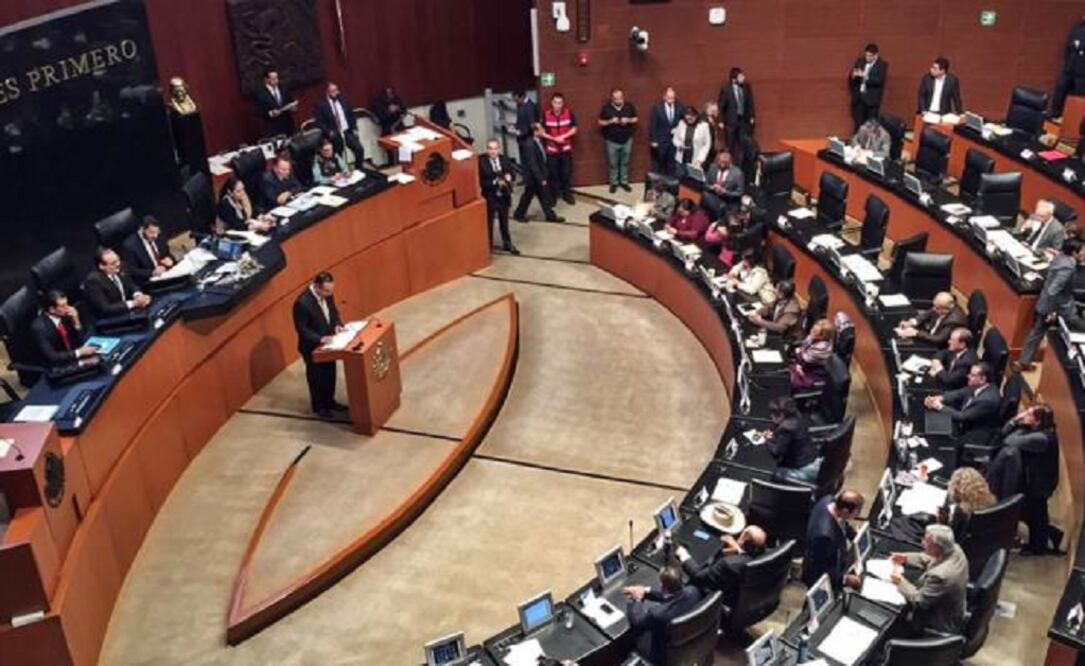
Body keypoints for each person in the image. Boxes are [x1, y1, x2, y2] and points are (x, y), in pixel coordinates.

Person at [996, 405, 1061, 555]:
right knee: (1033, 514)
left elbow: (1009, 440)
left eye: (1029, 415)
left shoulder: (1040, 438)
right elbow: (1004, 432)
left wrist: (1017, 421)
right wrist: (1016, 422)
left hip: (1040, 483)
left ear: (1037, 421)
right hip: (1035, 480)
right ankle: (1048, 538)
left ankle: (1039, 547)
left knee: (1035, 515)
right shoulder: (1038, 431)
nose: (1024, 416)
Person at [1016, 239, 1085, 368]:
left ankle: (1023, 362)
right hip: (1060, 308)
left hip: (1045, 303)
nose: (1084, 253)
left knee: (1036, 333)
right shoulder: (1067, 267)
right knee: (1080, 327)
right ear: (1075, 253)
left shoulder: (1061, 257)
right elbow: (1054, 290)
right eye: (1082, 250)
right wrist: (1052, 312)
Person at [890, 524, 968, 635]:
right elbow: (932, 558)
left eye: (926, 542)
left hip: (937, 621)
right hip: (954, 610)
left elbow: (919, 601)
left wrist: (900, 581)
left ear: (937, 548)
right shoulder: (955, 550)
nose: (922, 543)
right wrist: (905, 558)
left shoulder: (941, 576)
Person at [622, 566, 702, 665]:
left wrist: (636, 600)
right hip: (688, 643)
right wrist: (645, 591)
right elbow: (672, 598)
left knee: (631, 637)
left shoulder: (657, 614)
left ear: (663, 587)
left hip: (663, 655)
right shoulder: (693, 591)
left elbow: (637, 622)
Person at [293, 272, 346, 418]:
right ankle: (319, 407)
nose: (329, 294)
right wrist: (320, 338)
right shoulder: (302, 303)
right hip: (312, 346)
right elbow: (302, 329)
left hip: (329, 342)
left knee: (330, 373)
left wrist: (337, 325)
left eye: (331, 291)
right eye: (326, 291)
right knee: (317, 376)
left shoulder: (328, 294)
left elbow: (333, 312)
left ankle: (330, 401)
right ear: (317, 287)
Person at [676, 526, 767, 606]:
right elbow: (745, 557)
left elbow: (698, 575)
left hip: (722, 599)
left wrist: (684, 556)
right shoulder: (764, 557)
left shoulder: (728, 564)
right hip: (746, 598)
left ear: (743, 541)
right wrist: (738, 549)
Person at [801, 490, 864, 589]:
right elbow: (818, 570)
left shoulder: (829, 500)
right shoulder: (824, 536)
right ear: (845, 511)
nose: (857, 516)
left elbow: (844, 524)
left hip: (834, 559)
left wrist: (856, 536)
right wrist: (844, 579)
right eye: (857, 513)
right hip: (823, 578)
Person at [923, 362, 1002, 433]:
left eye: (972, 375)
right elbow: (959, 393)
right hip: (961, 415)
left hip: (971, 431)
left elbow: (962, 417)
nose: (968, 376)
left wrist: (938, 406)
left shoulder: (987, 400)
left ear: (983, 379)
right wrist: (939, 398)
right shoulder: (978, 385)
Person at [31, 290, 98, 367]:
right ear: (52, 309)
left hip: (73, 358)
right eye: (63, 306)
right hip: (56, 366)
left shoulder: (66, 316)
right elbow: (52, 356)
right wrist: (79, 353)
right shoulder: (39, 328)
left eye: (67, 304)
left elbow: (80, 342)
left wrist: (76, 321)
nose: (68, 308)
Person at [512, 126, 563, 223]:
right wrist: (541, 178)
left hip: (538, 175)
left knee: (543, 196)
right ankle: (519, 214)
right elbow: (533, 164)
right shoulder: (530, 144)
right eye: (541, 130)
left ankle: (549, 215)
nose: (543, 131)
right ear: (535, 131)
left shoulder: (537, 141)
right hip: (533, 177)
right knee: (528, 196)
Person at [764, 397, 821, 483]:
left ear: (782, 415)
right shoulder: (797, 416)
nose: (771, 416)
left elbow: (776, 452)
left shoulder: (786, 429)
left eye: (773, 414)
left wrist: (767, 440)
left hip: (804, 468)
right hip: (814, 459)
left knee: (776, 474)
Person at [82, 248, 152, 318]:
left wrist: (138, 296)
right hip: (109, 320)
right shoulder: (93, 281)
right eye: (113, 263)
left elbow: (132, 285)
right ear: (102, 266)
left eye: (118, 260)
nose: (118, 264)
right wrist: (133, 303)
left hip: (130, 312)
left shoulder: (121, 267)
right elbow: (106, 308)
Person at [479, 139, 520, 255]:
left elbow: (513, 174)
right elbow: (481, 182)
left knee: (504, 222)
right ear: (487, 149)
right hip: (490, 196)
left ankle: (507, 244)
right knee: (489, 223)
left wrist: (510, 177)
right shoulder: (481, 162)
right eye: (490, 149)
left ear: (499, 149)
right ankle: (488, 246)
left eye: (495, 148)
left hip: (503, 196)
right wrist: (495, 182)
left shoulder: (504, 160)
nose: (493, 151)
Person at [540, 92, 578, 205]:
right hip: (552, 151)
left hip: (565, 150)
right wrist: (553, 138)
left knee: (566, 173)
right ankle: (554, 196)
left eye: (560, 103)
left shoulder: (569, 113)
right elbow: (540, 132)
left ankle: (567, 194)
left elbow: (575, 128)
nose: (558, 105)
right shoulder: (545, 114)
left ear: (563, 103)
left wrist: (563, 137)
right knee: (553, 174)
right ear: (552, 103)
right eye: (555, 102)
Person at [597, 88, 638, 193]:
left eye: (620, 98)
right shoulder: (606, 108)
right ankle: (614, 183)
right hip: (611, 141)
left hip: (627, 139)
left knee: (625, 162)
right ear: (612, 99)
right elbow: (600, 122)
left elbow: (635, 118)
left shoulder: (629, 106)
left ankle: (624, 182)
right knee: (613, 163)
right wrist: (610, 121)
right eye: (616, 99)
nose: (619, 100)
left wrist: (628, 120)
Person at [313, 82, 365, 164]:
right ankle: (340, 172)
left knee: (359, 149)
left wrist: (354, 127)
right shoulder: (321, 104)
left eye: (337, 90)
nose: (336, 93)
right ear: (327, 92)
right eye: (333, 91)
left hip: (347, 131)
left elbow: (351, 115)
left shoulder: (343, 99)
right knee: (337, 156)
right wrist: (329, 132)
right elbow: (319, 122)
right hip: (334, 134)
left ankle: (359, 169)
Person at [894, 291, 967, 348]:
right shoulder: (942, 307)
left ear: (946, 309)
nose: (934, 309)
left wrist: (916, 333)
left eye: (937, 308)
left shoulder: (954, 321)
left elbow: (939, 339)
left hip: (938, 346)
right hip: (929, 334)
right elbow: (927, 313)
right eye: (934, 306)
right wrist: (912, 322)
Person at [943, 467, 997, 541]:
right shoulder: (991, 503)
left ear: (958, 489)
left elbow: (949, 538)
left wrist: (943, 520)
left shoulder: (961, 512)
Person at [121, 216, 175, 285]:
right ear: (142, 229)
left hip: (166, 274)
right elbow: (132, 270)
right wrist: (152, 272)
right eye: (151, 232)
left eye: (157, 232)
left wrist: (170, 259)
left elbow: (168, 254)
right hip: (148, 281)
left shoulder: (159, 236)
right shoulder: (130, 246)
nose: (155, 236)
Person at [1051, 17, 1085, 118]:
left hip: (1082, 73)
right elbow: (1068, 50)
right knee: (1060, 88)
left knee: (1079, 97)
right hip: (1069, 68)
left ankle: (1075, 119)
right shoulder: (1078, 30)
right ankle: (1055, 114)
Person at [849, 43, 888, 131]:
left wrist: (865, 76)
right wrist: (854, 75)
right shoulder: (860, 61)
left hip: (871, 101)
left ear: (876, 55)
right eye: (866, 55)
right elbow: (853, 74)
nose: (867, 58)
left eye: (870, 56)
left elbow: (879, 80)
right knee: (858, 124)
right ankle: (857, 143)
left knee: (870, 126)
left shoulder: (881, 65)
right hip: (859, 99)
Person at [718, 67, 756, 156]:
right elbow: (721, 105)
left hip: (743, 121)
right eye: (741, 76)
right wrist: (720, 120)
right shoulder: (726, 89)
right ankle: (729, 164)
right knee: (730, 144)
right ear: (734, 78)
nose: (744, 77)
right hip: (730, 121)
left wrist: (752, 116)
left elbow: (750, 103)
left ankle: (741, 165)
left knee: (743, 144)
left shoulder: (746, 87)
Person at [790, 318, 835, 390]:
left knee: (788, 380)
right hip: (805, 366)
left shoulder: (822, 347)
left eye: (815, 332)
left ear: (822, 336)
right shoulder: (813, 336)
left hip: (813, 373)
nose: (811, 332)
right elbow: (801, 351)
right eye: (812, 329)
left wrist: (799, 353)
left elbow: (803, 359)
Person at [649, 87, 683, 175]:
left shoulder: (680, 107)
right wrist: (653, 140)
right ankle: (658, 186)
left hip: (674, 141)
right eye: (669, 97)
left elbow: (683, 122)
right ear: (664, 97)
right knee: (659, 165)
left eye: (673, 98)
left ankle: (670, 185)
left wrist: (678, 129)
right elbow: (653, 125)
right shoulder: (657, 108)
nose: (671, 100)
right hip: (660, 142)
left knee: (672, 165)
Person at [254, 68, 295, 138]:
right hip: (273, 128)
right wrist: (270, 113)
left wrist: (293, 107)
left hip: (288, 125)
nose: (276, 80)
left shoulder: (283, 88)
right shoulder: (260, 94)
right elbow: (258, 111)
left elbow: (291, 101)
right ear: (266, 80)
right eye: (273, 78)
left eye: (277, 78)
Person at [703, 151, 744, 216]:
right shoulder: (712, 168)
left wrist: (726, 192)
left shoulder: (737, 173)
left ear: (730, 163)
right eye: (719, 162)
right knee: (704, 195)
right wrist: (712, 187)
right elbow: (705, 184)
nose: (721, 164)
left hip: (728, 201)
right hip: (713, 197)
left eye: (724, 163)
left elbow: (740, 192)